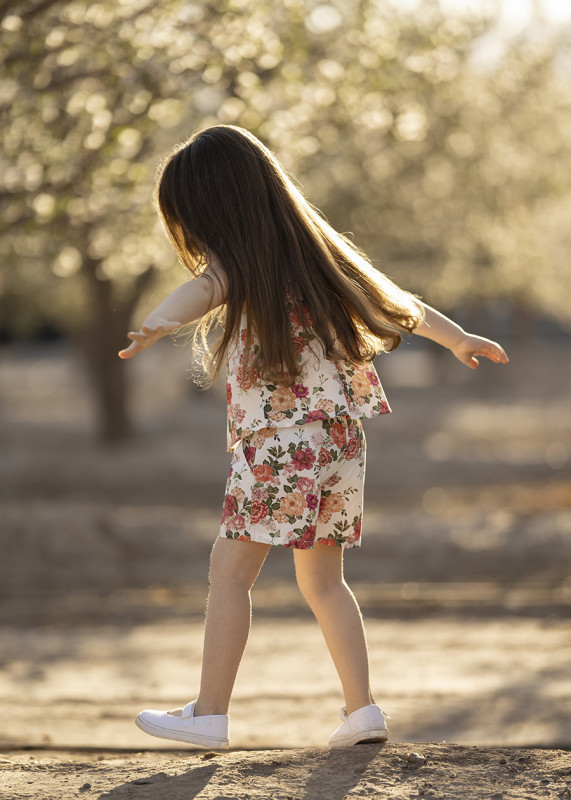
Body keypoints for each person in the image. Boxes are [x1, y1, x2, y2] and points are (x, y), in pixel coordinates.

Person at [118, 125, 508, 750]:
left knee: (229, 572)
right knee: (324, 581)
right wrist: (457, 337)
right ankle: (363, 712)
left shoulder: (240, 265)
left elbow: (202, 289)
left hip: (280, 439)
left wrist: (159, 320)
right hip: (340, 438)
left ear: (215, 209)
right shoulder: (318, 255)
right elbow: (394, 302)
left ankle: (209, 713)